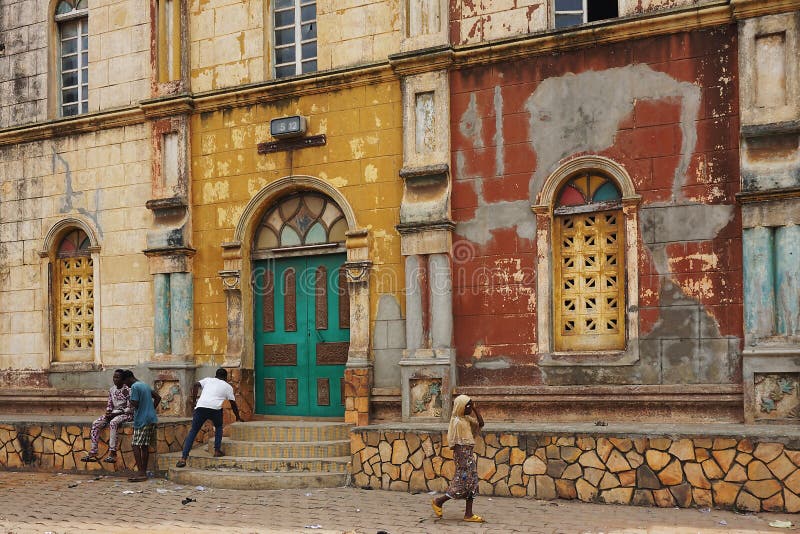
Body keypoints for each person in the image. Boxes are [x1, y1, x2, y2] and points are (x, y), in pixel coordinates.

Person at [431, 395, 485, 523]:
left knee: (472, 484)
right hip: (463, 456)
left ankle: (468, 514)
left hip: (468, 455)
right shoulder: (457, 422)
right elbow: (456, 443)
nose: (470, 408)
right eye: (468, 406)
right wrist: (462, 461)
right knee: (461, 484)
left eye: (471, 405)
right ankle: (438, 501)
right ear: (461, 407)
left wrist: (475, 409)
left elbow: (481, 424)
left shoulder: (466, 419)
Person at [175, 368, 242, 468]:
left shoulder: (208, 380)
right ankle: (217, 450)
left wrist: (194, 401)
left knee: (193, 431)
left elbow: (196, 384)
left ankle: (183, 458)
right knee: (219, 427)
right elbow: (233, 404)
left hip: (201, 407)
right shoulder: (228, 387)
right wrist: (238, 417)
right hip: (215, 409)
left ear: (216, 375)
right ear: (226, 377)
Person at [81, 369, 132, 463]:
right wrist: (108, 413)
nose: (115, 379)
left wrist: (115, 414)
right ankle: (93, 451)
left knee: (113, 422)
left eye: (118, 377)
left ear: (123, 379)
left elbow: (129, 408)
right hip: (113, 413)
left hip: (125, 414)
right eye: (114, 377)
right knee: (96, 423)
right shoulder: (112, 389)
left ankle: (113, 452)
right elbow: (110, 404)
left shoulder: (127, 390)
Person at [122, 370, 161, 482]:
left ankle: (141, 473)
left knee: (135, 445)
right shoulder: (144, 384)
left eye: (125, 382)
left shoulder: (134, 387)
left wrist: (128, 397)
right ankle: (143, 472)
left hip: (142, 420)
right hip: (151, 418)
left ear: (128, 378)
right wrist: (150, 409)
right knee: (144, 446)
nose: (126, 385)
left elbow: (136, 403)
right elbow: (158, 397)